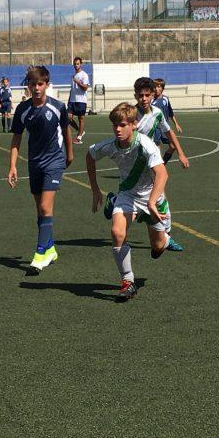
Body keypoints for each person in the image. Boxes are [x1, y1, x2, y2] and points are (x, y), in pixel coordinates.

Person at [87, 102, 170, 301]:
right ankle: (128, 281)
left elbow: (162, 174)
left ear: (134, 124)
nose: (117, 129)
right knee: (117, 232)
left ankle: (165, 238)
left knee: (157, 247)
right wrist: (96, 190)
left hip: (152, 197)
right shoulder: (109, 146)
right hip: (128, 195)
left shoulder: (145, 144)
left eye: (122, 124)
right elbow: (90, 156)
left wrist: (151, 202)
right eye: (115, 125)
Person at [8, 65, 74, 271]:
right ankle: (51, 248)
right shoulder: (22, 109)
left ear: (46, 85)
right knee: (41, 210)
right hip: (34, 163)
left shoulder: (58, 107)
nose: (36, 88)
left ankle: (40, 255)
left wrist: (70, 154)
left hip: (54, 161)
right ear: (27, 85)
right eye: (32, 84)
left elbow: (66, 131)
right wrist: (13, 166)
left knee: (46, 207)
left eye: (40, 84)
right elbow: (16, 139)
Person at [133, 77, 189, 252]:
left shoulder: (157, 113)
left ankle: (167, 236)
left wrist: (180, 153)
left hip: (151, 162)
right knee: (133, 198)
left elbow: (169, 131)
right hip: (133, 165)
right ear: (135, 96)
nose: (144, 98)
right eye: (140, 95)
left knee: (161, 199)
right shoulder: (131, 114)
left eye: (147, 95)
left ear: (152, 96)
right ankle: (114, 202)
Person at [151, 78, 183, 163]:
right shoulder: (150, 101)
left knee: (173, 146)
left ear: (162, 88)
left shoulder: (165, 99)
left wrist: (176, 124)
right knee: (157, 152)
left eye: (159, 86)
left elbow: (170, 112)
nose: (156, 89)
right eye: (155, 87)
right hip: (155, 129)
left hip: (165, 127)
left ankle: (163, 163)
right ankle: (157, 170)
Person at [68, 56, 90, 144]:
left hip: (81, 101)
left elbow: (85, 88)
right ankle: (80, 131)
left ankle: (79, 137)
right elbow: (72, 89)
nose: (76, 65)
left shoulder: (84, 75)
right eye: (75, 64)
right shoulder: (74, 76)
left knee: (81, 119)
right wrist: (69, 100)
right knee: (68, 118)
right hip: (72, 101)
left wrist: (78, 82)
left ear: (81, 64)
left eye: (77, 64)